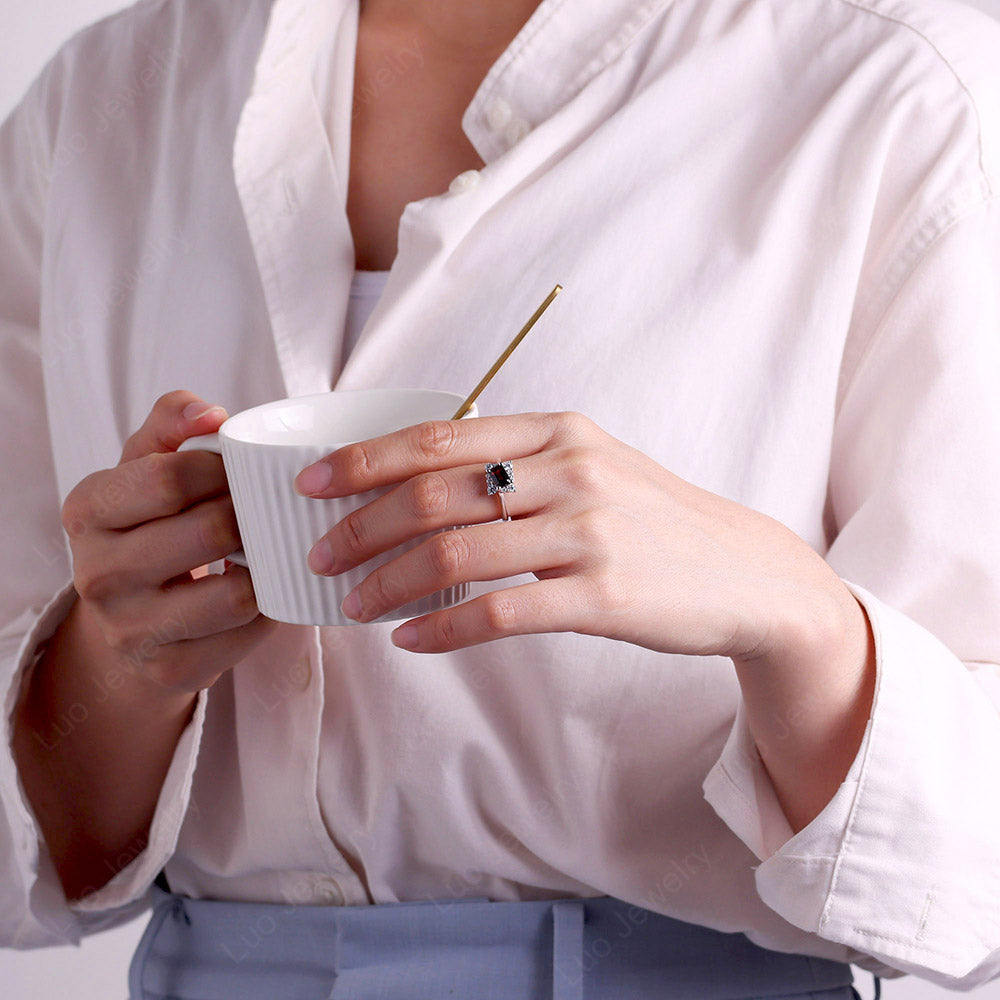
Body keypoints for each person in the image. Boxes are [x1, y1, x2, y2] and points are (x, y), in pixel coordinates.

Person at [2, 0, 999, 995]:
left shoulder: (901, 83)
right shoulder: (100, 99)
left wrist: (798, 616)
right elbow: (37, 863)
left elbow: (973, 878)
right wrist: (114, 660)